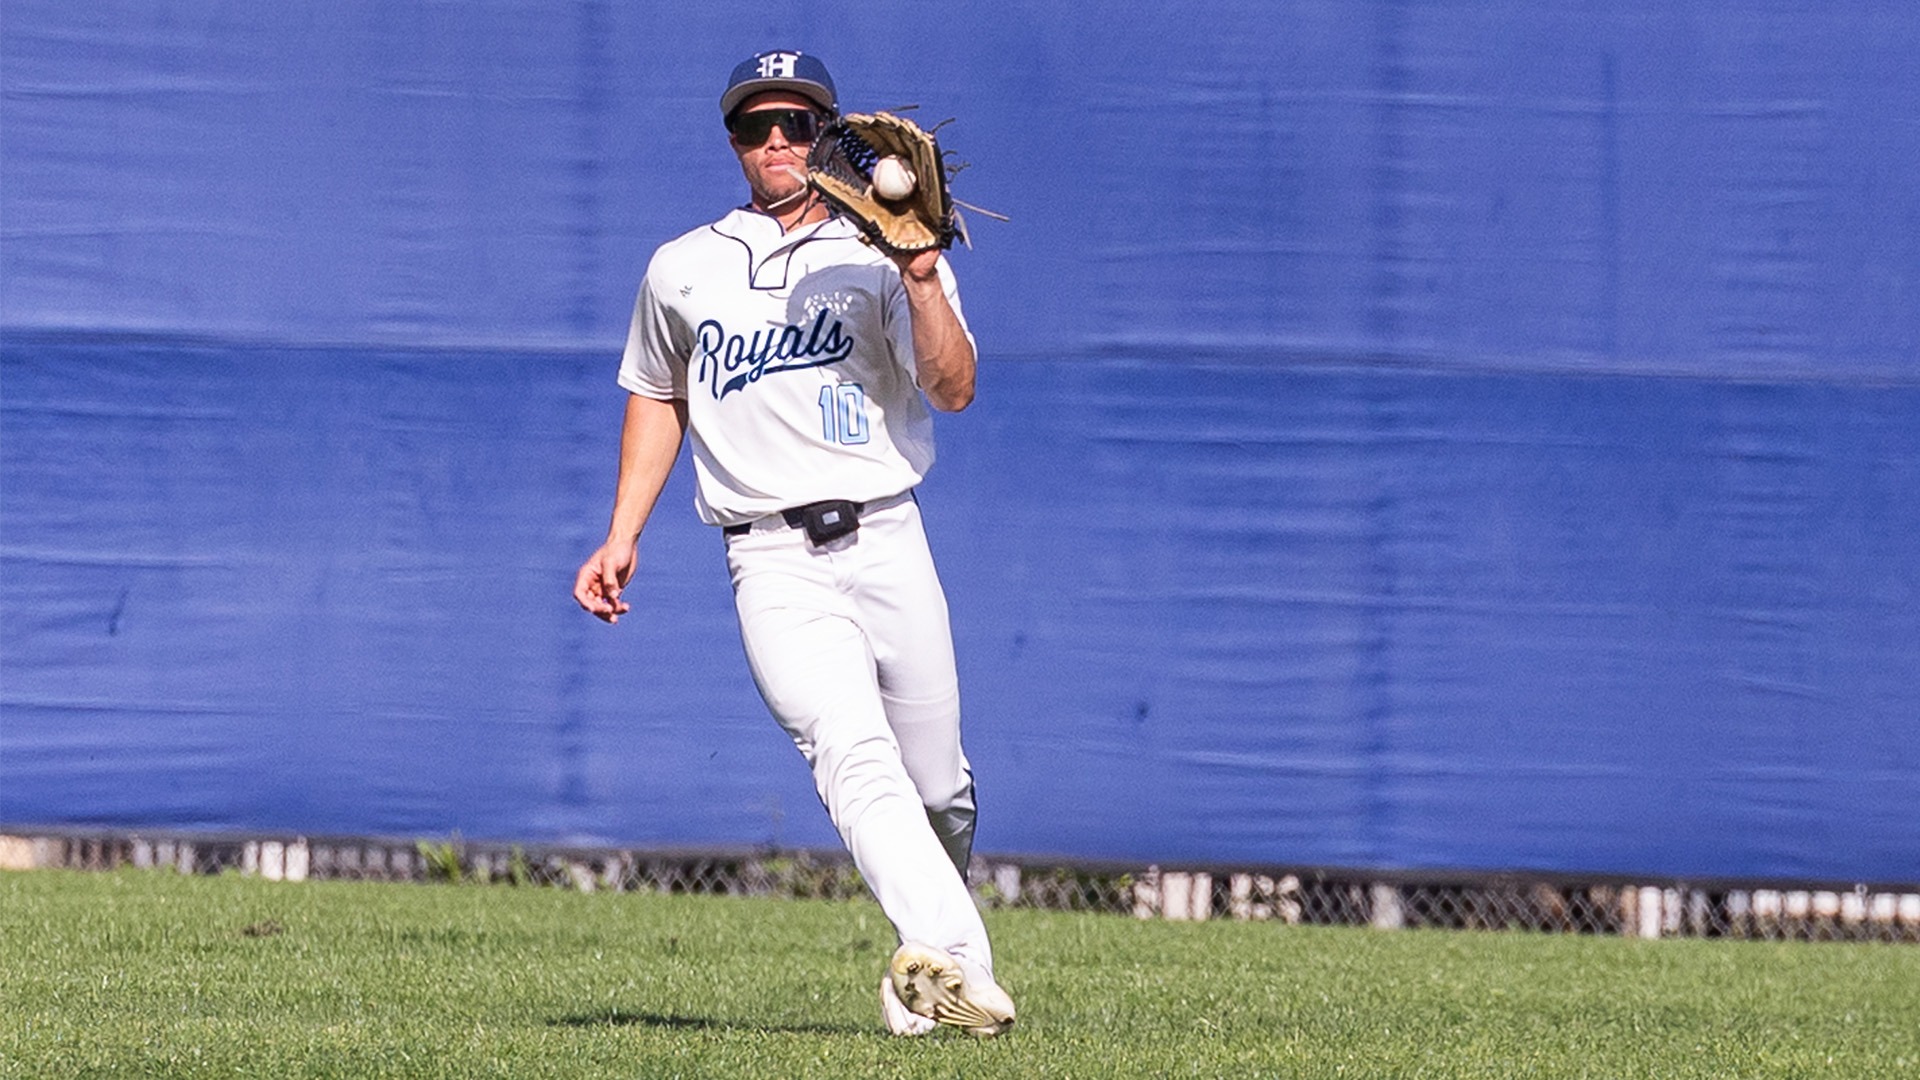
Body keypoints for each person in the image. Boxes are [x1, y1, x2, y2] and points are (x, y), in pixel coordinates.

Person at [571, 49, 1014, 1038]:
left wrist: (926, 276)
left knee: (940, 786)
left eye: (797, 123)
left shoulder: (884, 252)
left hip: (889, 534)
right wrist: (621, 532)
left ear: (832, 136)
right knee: (851, 755)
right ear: (733, 141)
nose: (776, 141)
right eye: (754, 125)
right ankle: (952, 968)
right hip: (767, 556)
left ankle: (932, 970)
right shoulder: (681, 265)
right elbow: (656, 392)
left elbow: (954, 388)